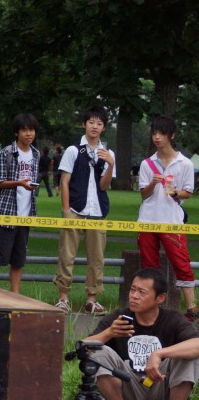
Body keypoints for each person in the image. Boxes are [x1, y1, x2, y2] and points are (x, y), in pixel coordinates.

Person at [87, 268, 199, 400]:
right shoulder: (119, 318)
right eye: (132, 289)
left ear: (160, 298)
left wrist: (159, 353)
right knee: (98, 350)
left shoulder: (173, 320)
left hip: (161, 387)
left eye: (142, 292)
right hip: (128, 388)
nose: (134, 296)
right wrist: (108, 333)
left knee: (187, 353)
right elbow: (84, 348)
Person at [53, 106, 115, 315]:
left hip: (97, 210)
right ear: (84, 124)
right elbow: (64, 182)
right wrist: (66, 211)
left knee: (97, 258)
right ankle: (63, 298)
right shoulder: (72, 150)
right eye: (91, 122)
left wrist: (111, 164)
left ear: (103, 127)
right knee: (67, 254)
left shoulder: (107, 153)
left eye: (99, 123)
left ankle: (92, 299)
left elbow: (105, 186)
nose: (94, 127)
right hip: (75, 209)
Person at [137, 116, 197, 322]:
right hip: (147, 220)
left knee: (181, 262)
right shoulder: (147, 163)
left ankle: (191, 308)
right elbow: (144, 195)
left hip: (172, 220)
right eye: (154, 133)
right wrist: (153, 184)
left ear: (172, 135)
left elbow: (188, 193)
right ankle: (150, 308)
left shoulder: (185, 164)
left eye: (161, 134)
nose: (157, 137)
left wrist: (174, 192)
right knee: (150, 265)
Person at [0, 114, 39, 294]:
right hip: (6, 213)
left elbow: (32, 179)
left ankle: (15, 295)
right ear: (17, 133)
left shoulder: (36, 153)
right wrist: (19, 183)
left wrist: (31, 187)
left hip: (26, 214)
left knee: (18, 259)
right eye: (24, 130)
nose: (28, 134)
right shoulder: (6, 153)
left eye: (31, 130)